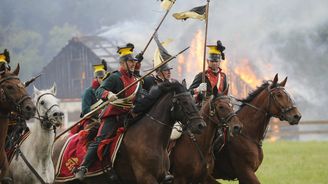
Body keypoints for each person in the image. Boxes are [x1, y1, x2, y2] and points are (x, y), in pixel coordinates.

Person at [74, 44, 142, 180]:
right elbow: (100, 90)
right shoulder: (114, 77)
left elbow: (138, 98)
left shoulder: (135, 80)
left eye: (134, 62)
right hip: (113, 116)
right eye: (130, 61)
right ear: (123, 63)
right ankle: (83, 168)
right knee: (100, 140)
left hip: (129, 116)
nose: (133, 64)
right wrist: (108, 94)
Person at [70, 61, 108, 135]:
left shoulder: (107, 90)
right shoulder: (89, 92)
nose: (103, 80)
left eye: (104, 78)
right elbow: (85, 111)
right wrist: (100, 111)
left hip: (105, 120)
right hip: (92, 121)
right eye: (100, 78)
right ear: (96, 78)